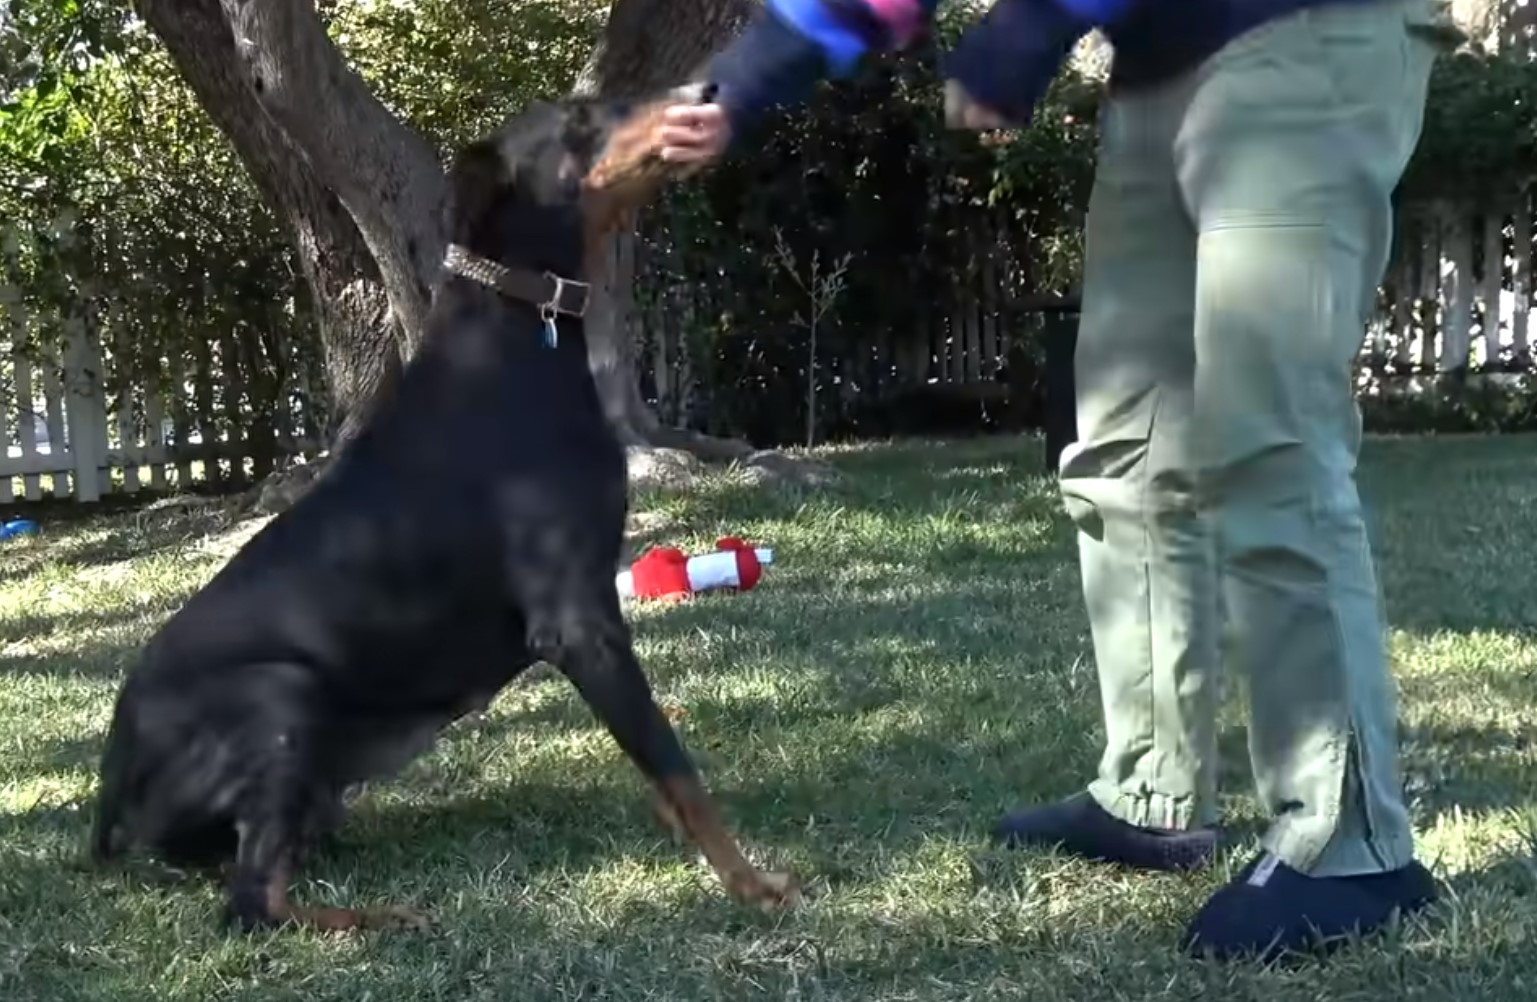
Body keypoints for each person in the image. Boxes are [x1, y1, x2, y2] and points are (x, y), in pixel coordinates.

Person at [656, 0, 1463, 963]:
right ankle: (1154, 793)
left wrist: (1034, 22)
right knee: (1125, 448)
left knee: (1269, 446)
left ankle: (1351, 849)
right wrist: (743, 83)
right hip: (1157, 65)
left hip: (1303, 34)